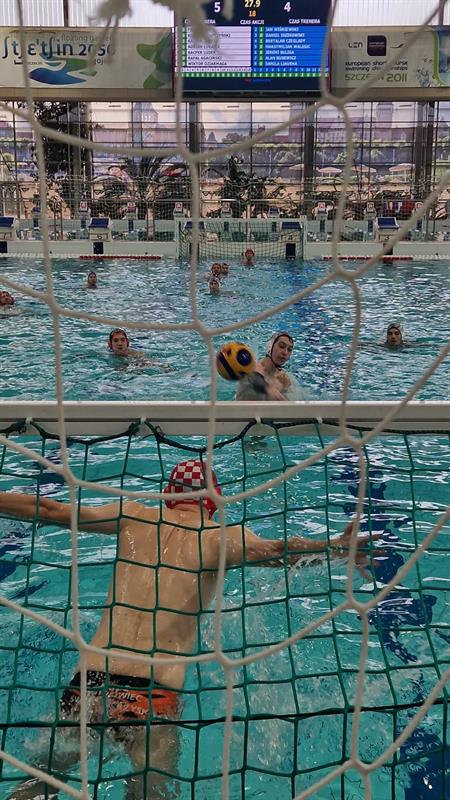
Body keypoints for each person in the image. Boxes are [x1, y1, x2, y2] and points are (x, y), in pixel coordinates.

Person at [0, 459, 381, 800]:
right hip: (150, 697)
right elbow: (276, 551)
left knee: (39, 784)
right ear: (213, 502)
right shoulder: (217, 537)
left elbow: (49, 509)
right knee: (150, 794)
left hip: (89, 686)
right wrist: (334, 548)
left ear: (167, 495)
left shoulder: (133, 515)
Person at [237, 332, 295, 401]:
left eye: (289, 349)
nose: (285, 352)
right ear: (270, 347)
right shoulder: (253, 367)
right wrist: (268, 388)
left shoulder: (283, 380)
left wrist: (285, 389)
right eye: (281, 346)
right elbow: (253, 378)